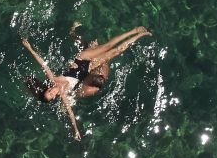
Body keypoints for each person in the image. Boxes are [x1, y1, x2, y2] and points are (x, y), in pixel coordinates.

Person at [20, 24, 152, 140]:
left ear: (48, 88)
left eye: (49, 90)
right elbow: (71, 114)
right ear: (55, 97)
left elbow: (42, 63)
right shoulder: (64, 95)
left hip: (82, 59)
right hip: (88, 67)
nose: (53, 91)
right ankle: (141, 35)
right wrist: (76, 130)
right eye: (52, 95)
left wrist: (29, 48)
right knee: (117, 50)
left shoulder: (53, 79)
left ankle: (134, 31)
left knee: (108, 45)